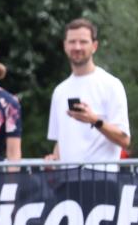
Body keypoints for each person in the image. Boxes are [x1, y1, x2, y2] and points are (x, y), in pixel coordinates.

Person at [46, 18, 130, 164]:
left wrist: (94, 120)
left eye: (83, 42)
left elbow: (124, 140)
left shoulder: (111, 84)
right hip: (66, 178)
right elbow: (61, 141)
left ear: (94, 46)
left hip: (101, 177)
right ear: (65, 46)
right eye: (72, 42)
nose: (77, 47)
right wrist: (54, 158)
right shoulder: (60, 91)